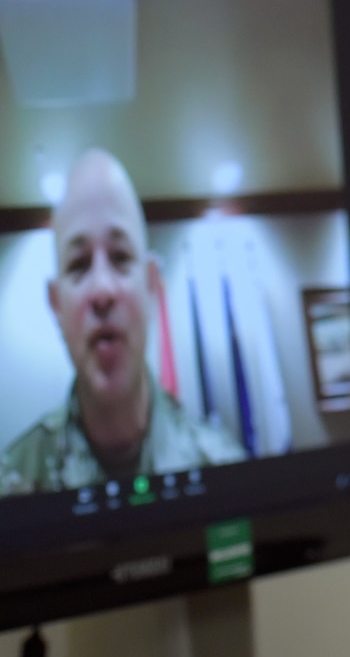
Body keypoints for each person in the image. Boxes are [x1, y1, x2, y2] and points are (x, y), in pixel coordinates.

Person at [0, 150, 244, 496]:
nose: (102, 290)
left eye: (120, 257)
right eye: (79, 264)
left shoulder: (224, 471)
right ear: (56, 305)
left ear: (151, 287)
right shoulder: (13, 488)